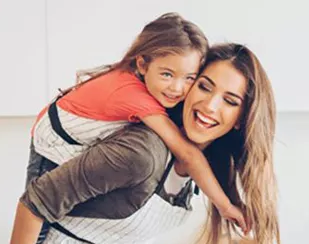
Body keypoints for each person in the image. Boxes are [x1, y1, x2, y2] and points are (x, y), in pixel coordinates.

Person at [0, 43, 281, 244]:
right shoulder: (142, 153)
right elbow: (34, 203)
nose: (210, 106)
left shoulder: (202, 166)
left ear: (241, 119)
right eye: (205, 87)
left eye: (230, 101)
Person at [32, 12, 247, 230]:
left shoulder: (143, 86)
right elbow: (189, 155)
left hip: (64, 136)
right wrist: (225, 206)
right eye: (167, 75)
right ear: (143, 65)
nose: (177, 88)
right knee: (39, 220)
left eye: (189, 78)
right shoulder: (137, 99)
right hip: (49, 144)